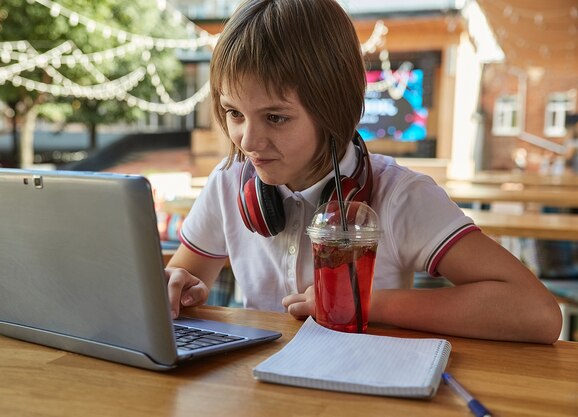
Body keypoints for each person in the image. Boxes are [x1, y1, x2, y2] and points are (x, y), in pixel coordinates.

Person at [165, 0, 562, 343]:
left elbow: (536, 313)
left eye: (275, 117)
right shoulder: (230, 180)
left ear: (335, 109)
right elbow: (184, 275)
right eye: (234, 113)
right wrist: (177, 286)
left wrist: (359, 300)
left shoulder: (401, 196)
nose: (247, 141)